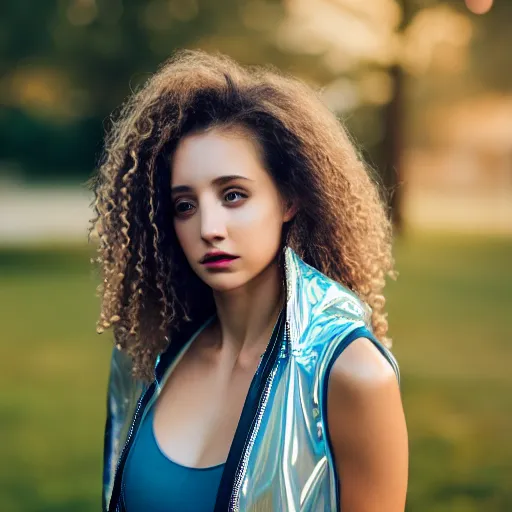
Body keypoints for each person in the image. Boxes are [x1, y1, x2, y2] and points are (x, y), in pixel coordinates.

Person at [89, 49, 408, 512]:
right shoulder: (149, 353)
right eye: (185, 205)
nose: (209, 227)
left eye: (233, 195)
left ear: (289, 200)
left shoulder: (350, 374)